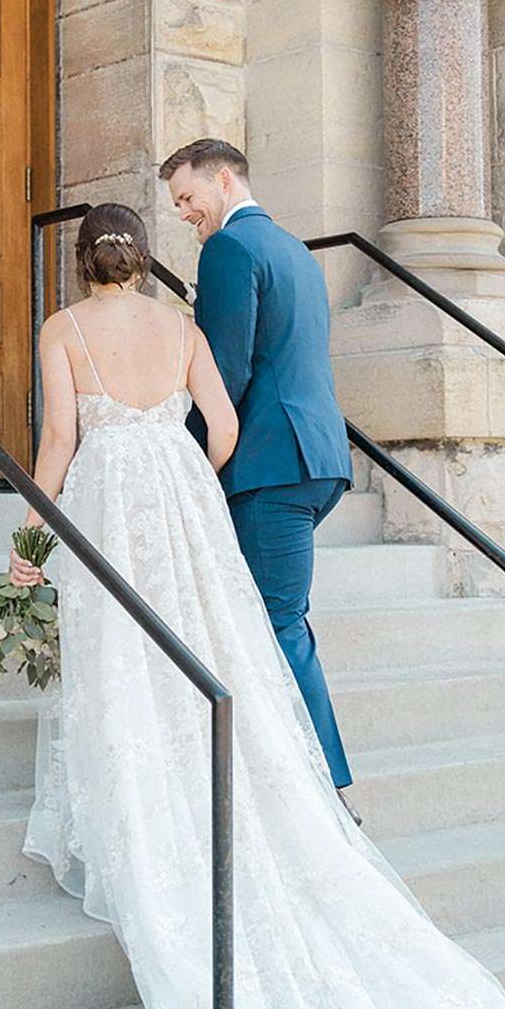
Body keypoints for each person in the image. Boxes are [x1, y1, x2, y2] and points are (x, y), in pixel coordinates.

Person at [11, 201, 505, 1009]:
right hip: (178, 499)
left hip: (112, 505)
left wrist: (32, 542)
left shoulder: (63, 330)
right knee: (213, 657)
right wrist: (176, 474)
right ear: (141, 261)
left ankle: (146, 802)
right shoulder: (179, 328)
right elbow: (223, 428)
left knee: (129, 664)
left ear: (81, 261)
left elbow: (55, 439)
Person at [159, 139, 359, 822]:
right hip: (315, 458)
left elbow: (226, 370)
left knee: (279, 623)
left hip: (271, 466)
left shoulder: (228, 250)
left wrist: (188, 459)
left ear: (222, 179)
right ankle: (278, 765)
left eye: (187, 197)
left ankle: (326, 791)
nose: (185, 212)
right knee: (268, 619)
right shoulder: (292, 249)